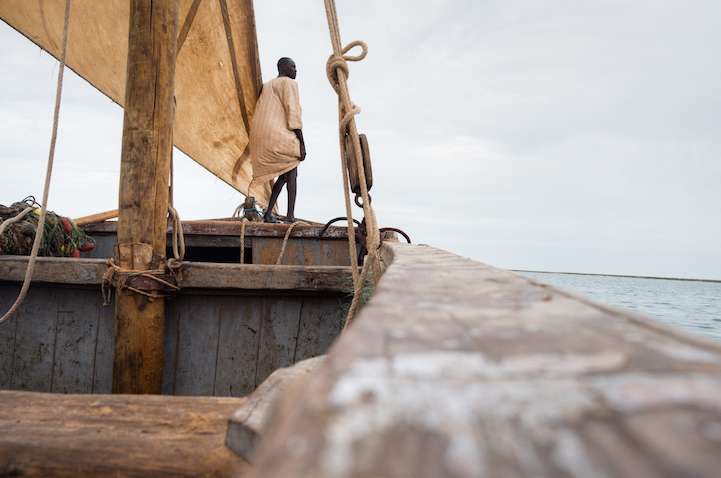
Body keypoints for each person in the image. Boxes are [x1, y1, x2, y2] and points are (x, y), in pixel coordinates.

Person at [250, 57, 306, 223]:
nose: (296, 70)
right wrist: (302, 142)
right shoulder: (289, 83)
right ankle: (290, 216)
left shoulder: (267, 85)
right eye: (292, 66)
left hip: (260, 137)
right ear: (283, 67)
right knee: (293, 169)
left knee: (285, 174)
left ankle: (268, 213)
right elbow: (293, 113)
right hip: (278, 136)